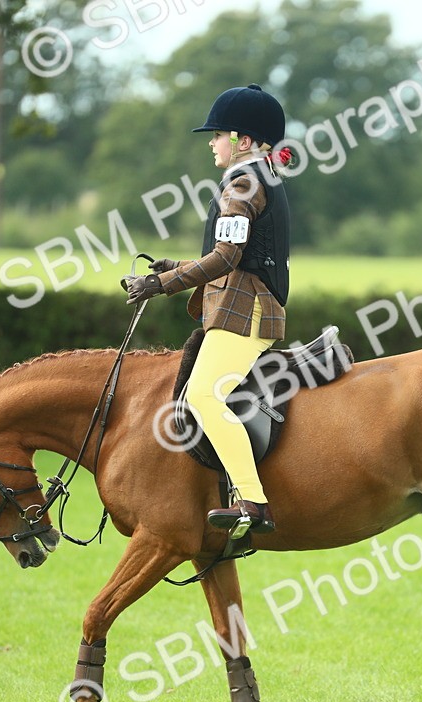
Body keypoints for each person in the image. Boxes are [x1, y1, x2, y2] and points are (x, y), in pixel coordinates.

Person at [126, 84, 291, 537]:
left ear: (242, 140)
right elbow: (233, 256)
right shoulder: (259, 178)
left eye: (217, 134)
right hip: (243, 304)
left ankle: (252, 502)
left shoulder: (242, 183)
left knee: (202, 396)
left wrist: (158, 285)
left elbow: (225, 259)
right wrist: (174, 267)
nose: (211, 142)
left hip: (245, 312)